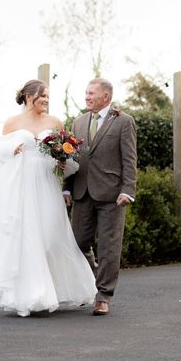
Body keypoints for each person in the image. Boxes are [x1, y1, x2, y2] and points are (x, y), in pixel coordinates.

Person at [0, 79, 97, 317]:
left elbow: (68, 156)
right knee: (26, 239)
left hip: (46, 185)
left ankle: (59, 288)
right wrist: (11, 149)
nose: (46, 100)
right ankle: (32, 296)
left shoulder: (55, 122)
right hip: (21, 187)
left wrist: (63, 159)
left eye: (48, 96)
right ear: (28, 96)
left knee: (49, 238)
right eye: (42, 96)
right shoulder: (12, 123)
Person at [63, 78, 137, 316]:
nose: (87, 97)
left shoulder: (124, 121)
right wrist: (66, 188)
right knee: (77, 243)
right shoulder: (79, 122)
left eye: (91, 93)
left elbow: (129, 159)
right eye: (86, 92)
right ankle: (95, 278)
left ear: (106, 97)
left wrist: (128, 189)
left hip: (112, 194)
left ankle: (103, 295)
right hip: (82, 192)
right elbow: (71, 160)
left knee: (109, 247)